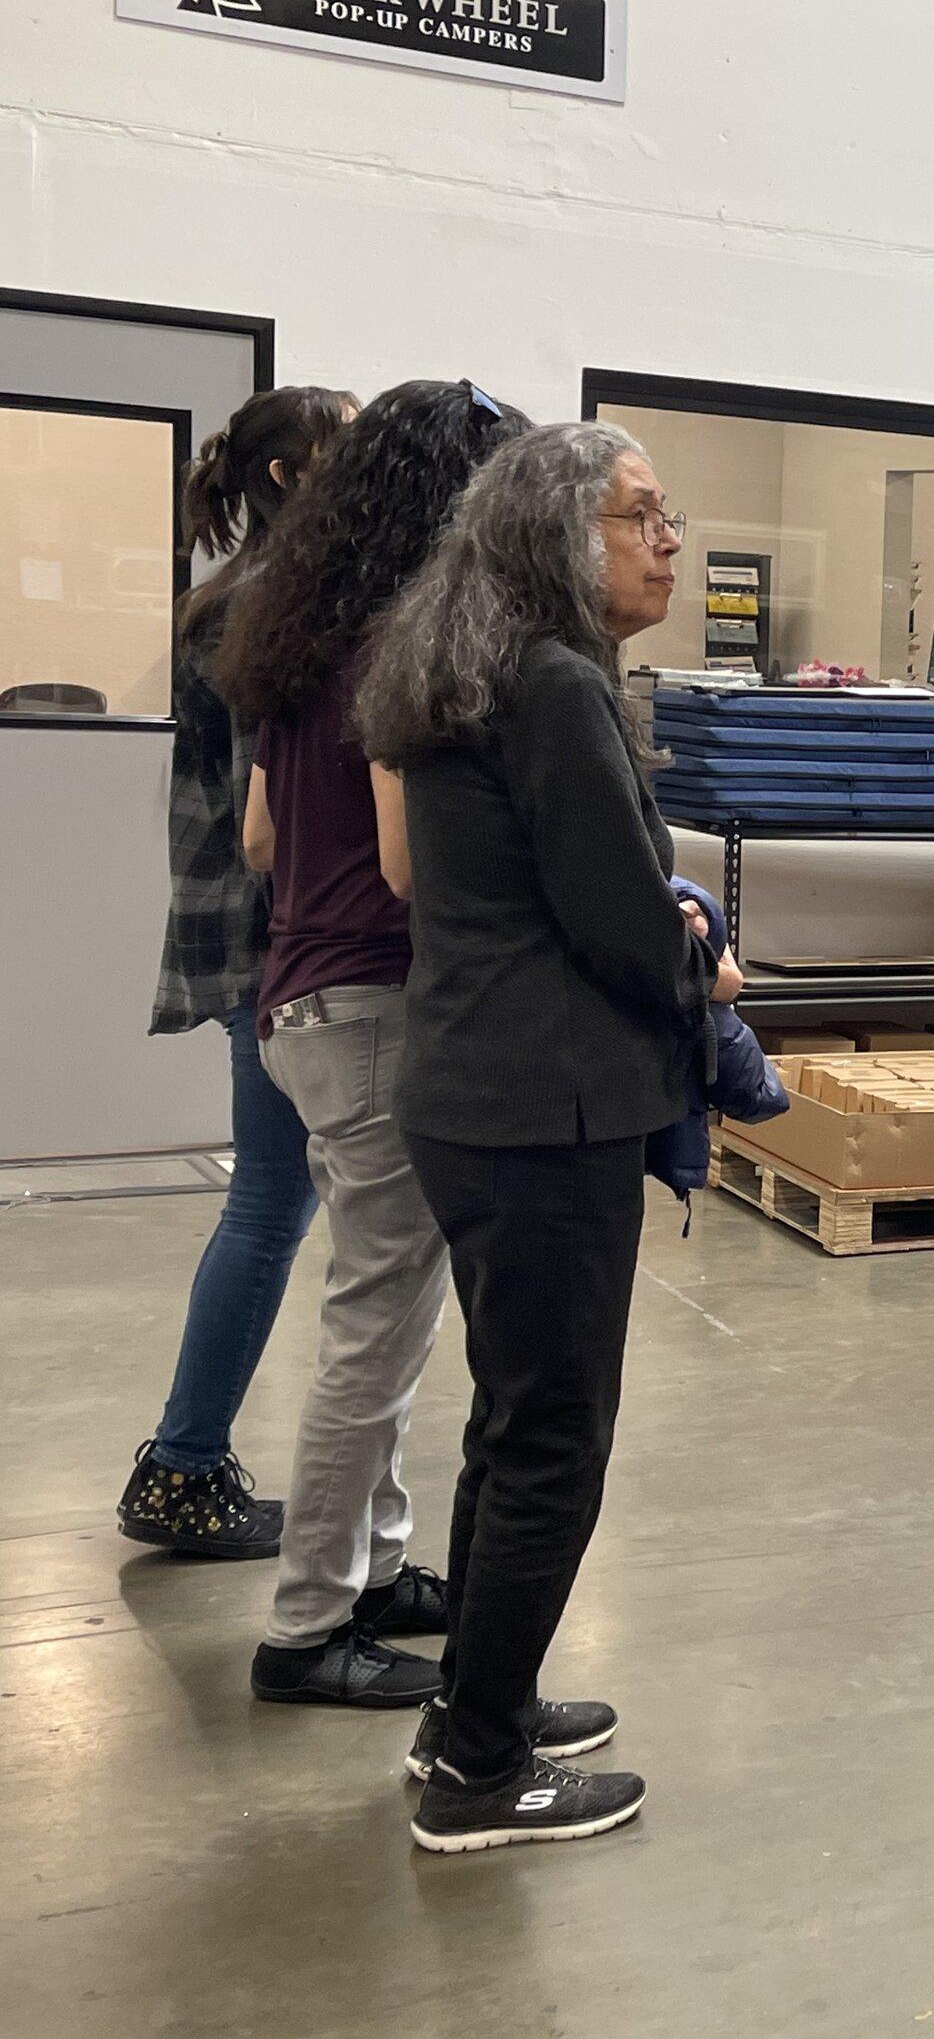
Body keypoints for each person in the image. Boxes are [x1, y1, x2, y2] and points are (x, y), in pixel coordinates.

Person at [356, 422, 741, 1853]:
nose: (669, 539)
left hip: (478, 1095)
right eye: (640, 514)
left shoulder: (466, 663)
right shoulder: (556, 682)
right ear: (553, 532)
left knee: (513, 1422)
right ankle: (477, 1772)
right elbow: (615, 912)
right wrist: (696, 954)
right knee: (554, 1440)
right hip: (547, 1107)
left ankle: (475, 1703)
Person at [216, 378, 531, 1708]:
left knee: (382, 1306)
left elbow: (261, 839)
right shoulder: (404, 640)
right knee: (378, 1329)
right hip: (372, 1009)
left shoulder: (300, 626)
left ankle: (376, 1567)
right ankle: (305, 1626)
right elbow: (411, 866)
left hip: (299, 992)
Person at [120, 386, 358, 1558]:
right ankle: (183, 1465)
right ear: (282, 476)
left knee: (273, 1201)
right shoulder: (271, 609)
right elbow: (278, 820)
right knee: (271, 1205)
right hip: (274, 940)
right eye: (341, 450)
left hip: (258, 935)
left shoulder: (233, 597)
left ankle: (184, 1458)